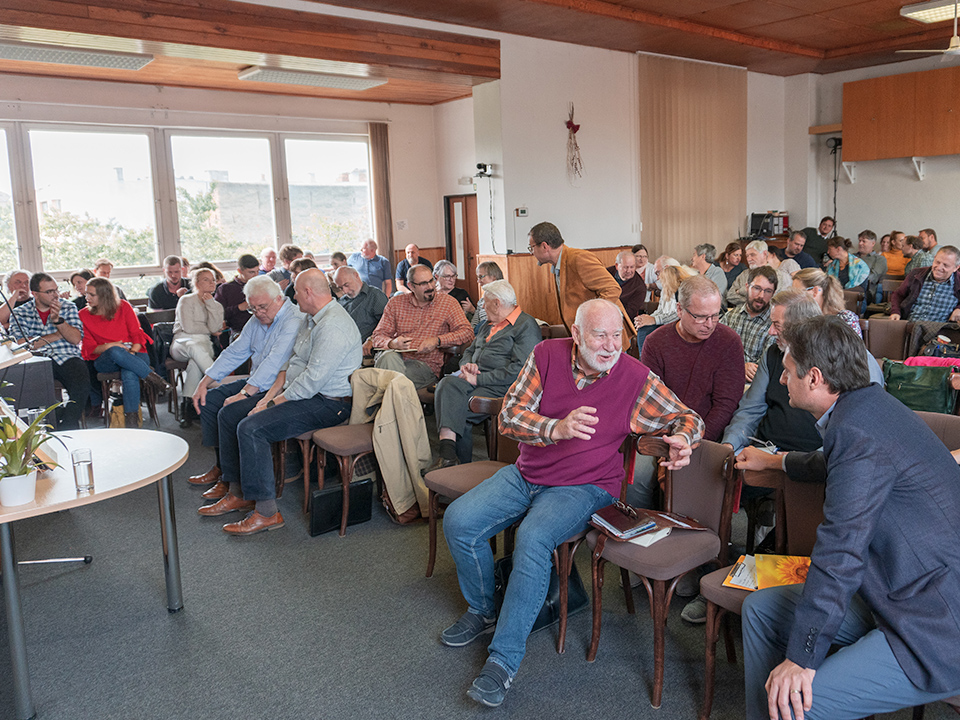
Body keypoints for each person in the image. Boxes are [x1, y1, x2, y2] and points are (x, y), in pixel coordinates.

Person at [440, 299, 704, 708]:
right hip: (527, 474)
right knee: (459, 521)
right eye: (600, 335)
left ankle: (503, 661)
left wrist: (684, 439)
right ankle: (483, 609)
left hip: (587, 485)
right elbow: (509, 416)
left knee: (533, 537)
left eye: (617, 335)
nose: (611, 345)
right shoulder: (546, 354)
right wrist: (554, 428)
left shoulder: (634, 377)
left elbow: (688, 417)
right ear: (577, 334)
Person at [741, 315, 960, 720]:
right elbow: (837, 464)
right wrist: (778, 461)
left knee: (802, 702)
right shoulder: (866, 406)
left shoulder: (856, 430)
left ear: (814, 378)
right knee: (759, 610)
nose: (782, 379)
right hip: (901, 585)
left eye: (787, 371)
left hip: (935, 621)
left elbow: (840, 552)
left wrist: (801, 659)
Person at [199, 269, 362, 536]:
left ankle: (266, 513)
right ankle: (238, 492)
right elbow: (289, 365)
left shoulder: (332, 325)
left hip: (330, 404)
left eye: (295, 291)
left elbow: (311, 382)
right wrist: (267, 397)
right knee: (230, 414)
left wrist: (272, 404)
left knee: (251, 428)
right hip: (303, 394)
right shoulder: (311, 318)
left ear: (308, 292)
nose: (292, 297)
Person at [634, 276, 743, 507]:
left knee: (689, 480)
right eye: (700, 316)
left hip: (708, 435)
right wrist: (672, 442)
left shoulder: (728, 341)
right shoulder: (655, 342)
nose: (710, 324)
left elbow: (725, 404)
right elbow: (652, 403)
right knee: (638, 477)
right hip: (662, 432)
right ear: (679, 310)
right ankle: (644, 524)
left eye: (715, 315)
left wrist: (690, 441)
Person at [188, 275, 301, 495]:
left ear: (279, 298)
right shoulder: (258, 318)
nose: (258, 313)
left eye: (262, 307)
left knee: (229, 412)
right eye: (252, 308)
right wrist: (205, 381)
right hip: (257, 381)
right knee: (208, 400)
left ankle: (233, 482)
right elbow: (235, 351)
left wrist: (245, 394)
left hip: (278, 388)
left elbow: (274, 362)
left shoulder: (293, 319)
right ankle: (222, 467)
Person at [430, 280, 541, 469]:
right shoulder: (486, 325)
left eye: (485, 302)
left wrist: (478, 378)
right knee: (447, 383)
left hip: (503, 386)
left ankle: (454, 463)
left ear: (497, 303)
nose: (481, 306)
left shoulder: (525, 325)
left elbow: (519, 370)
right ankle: (450, 460)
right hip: (475, 381)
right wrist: (467, 366)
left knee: (456, 409)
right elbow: (469, 351)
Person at [79, 278, 170, 428]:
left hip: (135, 352)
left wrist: (131, 354)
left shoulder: (123, 306)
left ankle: (131, 422)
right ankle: (154, 379)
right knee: (116, 351)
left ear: (104, 295)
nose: (86, 297)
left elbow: (137, 335)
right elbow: (90, 348)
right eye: (86, 294)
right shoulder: (83, 315)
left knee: (129, 372)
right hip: (105, 359)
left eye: (91, 294)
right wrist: (113, 345)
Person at [527, 222, 634, 348]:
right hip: (589, 338)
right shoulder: (559, 265)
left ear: (544, 246)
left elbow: (612, 289)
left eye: (532, 247)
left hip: (606, 338)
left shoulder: (578, 258)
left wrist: (593, 320)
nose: (531, 252)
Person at [370, 264, 473, 390]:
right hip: (396, 358)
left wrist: (438, 340)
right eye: (423, 283)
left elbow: (467, 332)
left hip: (424, 366)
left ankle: (383, 398)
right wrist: (392, 343)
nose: (430, 287)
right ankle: (395, 399)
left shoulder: (448, 303)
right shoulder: (396, 303)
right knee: (388, 358)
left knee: (388, 378)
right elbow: (377, 336)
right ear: (411, 286)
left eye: (431, 281)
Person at [10, 273, 90, 430]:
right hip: (36, 359)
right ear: (35, 294)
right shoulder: (20, 312)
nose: (55, 295)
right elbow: (22, 344)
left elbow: (75, 339)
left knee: (81, 379)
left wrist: (58, 321)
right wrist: (58, 335)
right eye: (49, 292)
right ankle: (54, 420)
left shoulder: (68, 307)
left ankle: (68, 424)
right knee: (34, 385)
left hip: (66, 356)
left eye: (56, 290)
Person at [169, 267, 224, 427]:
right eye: (206, 280)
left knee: (195, 363)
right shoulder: (186, 300)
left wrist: (210, 304)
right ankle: (219, 381)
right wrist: (212, 331)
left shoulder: (217, 306)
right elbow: (189, 328)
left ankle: (187, 408)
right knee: (194, 347)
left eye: (213, 280)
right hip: (182, 342)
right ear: (197, 283)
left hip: (204, 343)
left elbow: (215, 327)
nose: (211, 283)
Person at [721, 266, 777, 381]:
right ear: (747, 287)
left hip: (753, 384)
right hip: (725, 377)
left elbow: (765, 367)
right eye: (757, 288)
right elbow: (716, 350)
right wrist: (741, 367)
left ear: (773, 293)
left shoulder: (774, 325)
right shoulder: (730, 316)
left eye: (768, 291)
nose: (761, 296)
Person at [634, 263, 696, 351]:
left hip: (676, 325)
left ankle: (645, 357)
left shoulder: (683, 292)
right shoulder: (665, 290)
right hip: (664, 322)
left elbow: (678, 315)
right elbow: (660, 310)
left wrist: (654, 320)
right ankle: (644, 357)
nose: (658, 279)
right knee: (643, 327)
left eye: (660, 277)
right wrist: (647, 319)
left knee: (648, 330)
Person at [889, 246, 960, 323]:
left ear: (956, 268)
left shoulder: (958, 281)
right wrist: (895, 312)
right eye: (937, 262)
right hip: (911, 323)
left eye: (945, 265)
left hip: (939, 328)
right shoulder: (916, 274)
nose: (939, 268)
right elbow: (898, 294)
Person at [792, 268, 862, 338]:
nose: (793, 298)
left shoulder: (845, 320)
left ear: (815, 291)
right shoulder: (802, 317)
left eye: (797, 293)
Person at [726, 240, 798, 308]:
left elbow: (772, 300)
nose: (749, 259)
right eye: (747, 256)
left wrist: (741, 291)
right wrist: (753, 301)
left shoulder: (778, 275)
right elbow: (730, 296)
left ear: (764, 254)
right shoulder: (744, 274)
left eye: (752, 255)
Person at [333, 265, 388, 342]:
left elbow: (387, 326)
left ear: (356, 276)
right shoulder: (341, 302)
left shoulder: (375, 296)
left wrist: (372, 340)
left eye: (346, 285)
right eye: (340, 288)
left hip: (368, 345)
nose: (345, 291)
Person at [214, 254, 260, 334]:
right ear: (240, 271)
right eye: (251, 272)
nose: (256, 275)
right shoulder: (225, 289)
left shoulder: (261, 285)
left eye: (257, 271)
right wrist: (238, 308)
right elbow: (217, 314)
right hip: (238, 331)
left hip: (262, 329)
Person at [607, 250, 647, 320]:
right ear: (617, 266)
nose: (629, 271)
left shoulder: (640, 287)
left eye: (632, 267)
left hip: (620, 319)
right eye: (625, 267)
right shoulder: (606, 273)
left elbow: (629, 313)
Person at [469, 261, 504, 331]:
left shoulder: (505, 298)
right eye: (477, 277)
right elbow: (473, 324)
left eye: (481, 277)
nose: (478, 281)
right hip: (481, 332)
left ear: (494, 277)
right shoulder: (481, 301)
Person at [855, 230, 887, 303]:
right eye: (859, 241)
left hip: (867, 291)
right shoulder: (852, 257)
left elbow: (872, 278)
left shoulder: (879, 259)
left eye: (864, 241)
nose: (860, 243)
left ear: (873, 243)